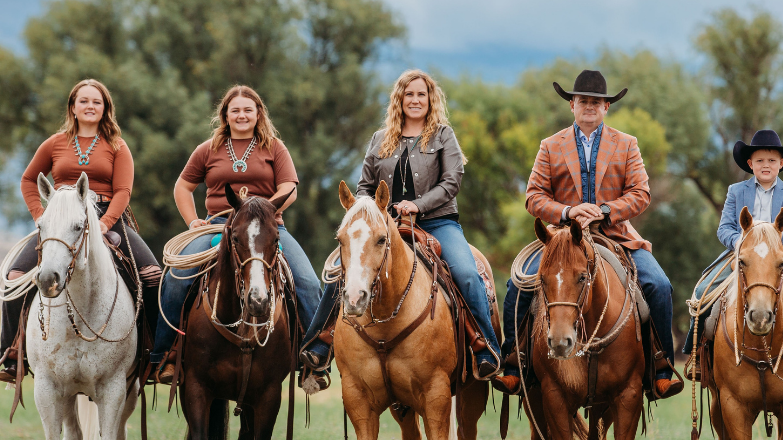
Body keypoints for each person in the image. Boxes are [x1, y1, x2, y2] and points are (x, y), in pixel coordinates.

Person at [300, 69, 502, 381]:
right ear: (400, 99)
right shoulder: (379, 140)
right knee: (337, 270)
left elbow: (451, 182)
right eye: (410, 94)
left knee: (467, 274)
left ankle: (486, 348)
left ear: (430, 99)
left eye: (422, 94)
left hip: (438, 223)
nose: (416, 100)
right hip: (385, 226)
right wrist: (367, 212)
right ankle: (320, 344)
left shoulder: (443, 135)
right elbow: (364, 187)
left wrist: (417, 205)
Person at [497, 68, 677, 397]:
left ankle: (661, 365)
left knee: (659, 285)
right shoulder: (550, 146)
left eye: (596, 101)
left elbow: (641, 193)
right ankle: (514, 360)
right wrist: (567, 212)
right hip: (562, 238)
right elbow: (533, 196)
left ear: (607, 107)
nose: (590, 106)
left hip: (616, 235)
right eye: (583, 101)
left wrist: (604, 210)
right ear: (572, 105)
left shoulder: (627, 144)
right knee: (517, 286)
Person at [148, 84, 321, 379]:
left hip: (266, 227)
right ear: (225, 115)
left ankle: (313, 357)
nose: (241, 115)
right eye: (235, 110)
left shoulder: (274, 147)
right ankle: (165, 355)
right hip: (218, 224)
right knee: (176, 278)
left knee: (307, 281)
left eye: (247, 110)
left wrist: (266, 209)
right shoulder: (208, 149)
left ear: (258, 114)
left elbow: (289, 188)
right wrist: (193, 222)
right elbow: (183, 187)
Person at [0, 78, 161, 378]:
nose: (90, 106)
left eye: (96, 102)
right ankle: (12, 352)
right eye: (84, 101)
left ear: (105, 109)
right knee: (15, 276)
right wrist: (40, 215)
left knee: (152, 275)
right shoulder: (55, 142)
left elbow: (124, 191)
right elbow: (27, 179)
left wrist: (103, 224)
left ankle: (154, 353)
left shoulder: (117, 145)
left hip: (106, 215)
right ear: (73, 107)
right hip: (61, 220)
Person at [683, 129, 783, 357]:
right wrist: (744, 242)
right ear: (750, 163)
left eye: (772, 160)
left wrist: (772, 239)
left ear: (781, 163)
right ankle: (697, 350)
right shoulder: (736, 191)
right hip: (743, 252)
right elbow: (724, 229)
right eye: (760, 161)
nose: (766, 165)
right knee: (701, 291)